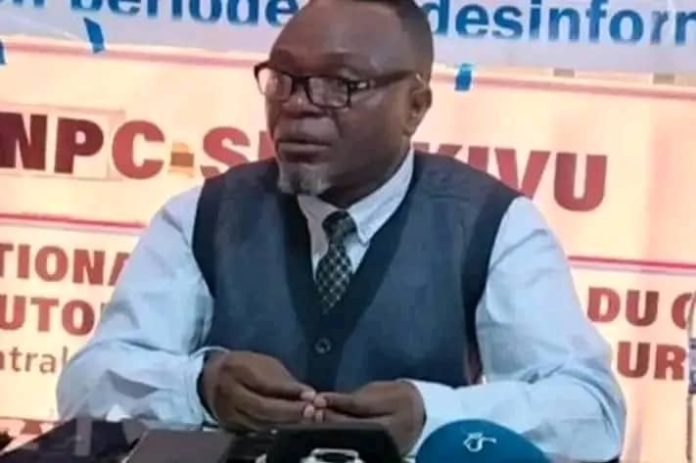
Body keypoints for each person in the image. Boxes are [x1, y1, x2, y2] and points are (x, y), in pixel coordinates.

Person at [56, 0, 626, 460]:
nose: (298, 106)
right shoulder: (202, 216)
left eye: (340, 84)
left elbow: (592, 411)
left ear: (414, 106)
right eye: (283, 79)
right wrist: (199, 386)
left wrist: (431, 416)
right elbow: (86, 385)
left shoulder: (493, 225)